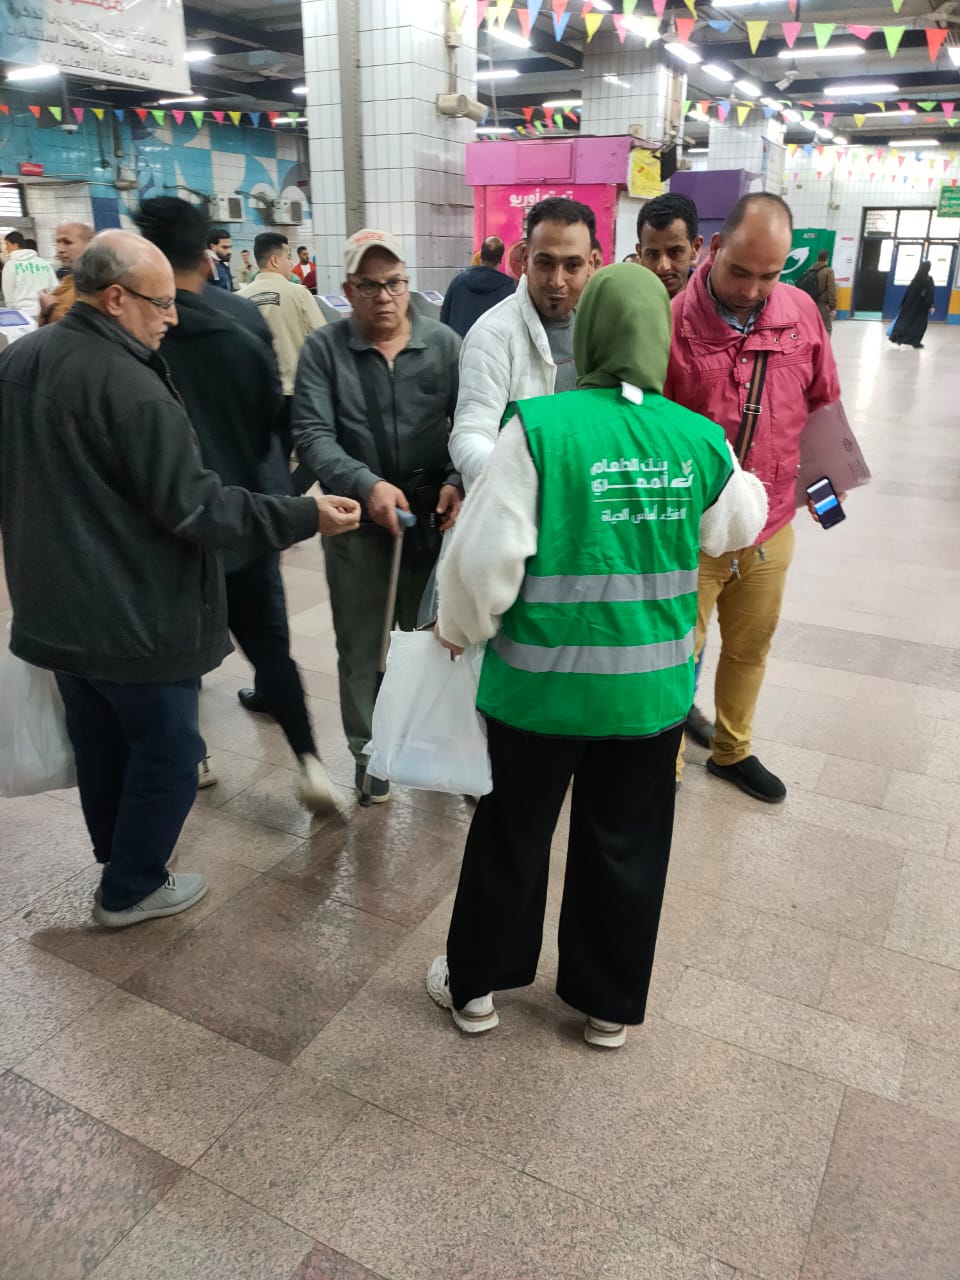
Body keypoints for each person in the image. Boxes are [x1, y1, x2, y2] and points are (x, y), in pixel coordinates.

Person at [426, 264, 767, 1048]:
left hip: (538, 695)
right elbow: (738, 524)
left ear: (587, 334)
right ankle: (607, 1004)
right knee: (626, 845)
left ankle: (476, 989)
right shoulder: (696, 438)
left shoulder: (539, 429)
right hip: (648, 700)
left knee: (512, 836)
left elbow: (485, 559)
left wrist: (461, 627)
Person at [0, 230, 360, 928]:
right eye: (160, 303)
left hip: (53, 607)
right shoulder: (132, 387)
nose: (172, 317)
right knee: (170, 748)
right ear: (115, 297)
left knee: (100, 741)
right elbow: (196, 507)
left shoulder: (22, 358)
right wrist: (304, 513)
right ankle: (132, 886)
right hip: (133, 612)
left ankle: (116, 860)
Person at [135, 199, 340, 812]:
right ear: (207, 254)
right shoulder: (241, 318)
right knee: (270, 645)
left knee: (178, 655)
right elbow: (271, 421)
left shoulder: (137, 332)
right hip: (246, 516)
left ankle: (194, 756)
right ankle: (309, 762)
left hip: (170, 524)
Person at [665, 193, 841, 803]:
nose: (751, 290)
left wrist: (825, 497)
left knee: (750, 647)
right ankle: (663, 762)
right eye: (740, 271)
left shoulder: (800, 313)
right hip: (693, 533)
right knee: (676, 653)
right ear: (713, 248)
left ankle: (732, 750)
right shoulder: (672, 324)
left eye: (768, 275)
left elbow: (821, 406)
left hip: (770, 526)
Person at [292, 228, 462, 805]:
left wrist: (456, 481)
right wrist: (367, 485)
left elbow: (469, 424)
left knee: (430, 642)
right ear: (347, 290)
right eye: (370, 286)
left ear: (407, 282)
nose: (385, 296)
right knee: (362, 646)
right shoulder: (324, 350)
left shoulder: (443, 344)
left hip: (431, 521)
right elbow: (312, 435)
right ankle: (371, 753)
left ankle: (430, 742)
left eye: (394, 283)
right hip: (356, 524)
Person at [450, 197, 602, 490]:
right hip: (519, 509)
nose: (557, 280)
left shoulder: (600, 329)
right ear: (524, 259)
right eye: (545, 263)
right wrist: (526, 482)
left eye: (572, 265)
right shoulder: (492, 335)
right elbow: (470, 435)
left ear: (592, 264)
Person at [239, 231, 325, 459]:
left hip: (256, 394)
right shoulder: (298, 293)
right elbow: (322, 337)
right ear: (275, 260)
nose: (291, 263)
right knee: (303, 455)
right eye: (288, 257)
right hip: (293, 393)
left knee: (266, 457)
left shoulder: (239, 298)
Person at [439, 235, 516, 338]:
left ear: (481, 256)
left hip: (459, 345)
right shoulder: (508, 289)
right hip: (491, 346)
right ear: (500, 260)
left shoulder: (458, 281)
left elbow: (444, 320)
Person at [636, 192, 703, 300]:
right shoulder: (625, 305)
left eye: (675, 252)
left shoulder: (715, 306)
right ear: (640, 253)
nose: (663, 266)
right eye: (652, 254)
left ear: (695, 248)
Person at [38, 221, 95, 325]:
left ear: (89, 244)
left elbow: (85, 327)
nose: (60, 250)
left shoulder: (99, 283)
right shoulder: (69, 282)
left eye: (67, 242)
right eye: (58, 242)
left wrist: (51, 308)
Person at [1, 230, 58, 320]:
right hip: (45, 313)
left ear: (15, 245)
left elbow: (9, 295)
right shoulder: (43, 263)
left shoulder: (10, 266)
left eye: (7, 245)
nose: (6, 248)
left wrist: (15, 313)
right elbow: (55, 288)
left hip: (23, 315)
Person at [889, 260, 934, 349]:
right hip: (921, 307)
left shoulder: (915, 279)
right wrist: (931, 306)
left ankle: (897, 338)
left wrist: (903, 304)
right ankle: (915, 342)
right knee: (919, 325)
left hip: (909, 305)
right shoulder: (929, 279)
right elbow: (930, 294)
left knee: (905, 322)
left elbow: (908, 292)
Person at [803, 249, 838, 335]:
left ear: (817, 258)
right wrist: (832, 307)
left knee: (811, 328)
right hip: (822, 305)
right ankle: (824, 344)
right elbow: (831, 290)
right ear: (827, 259)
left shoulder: (810, 270)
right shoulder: (828, 271)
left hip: (809, 304)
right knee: (826, 329)